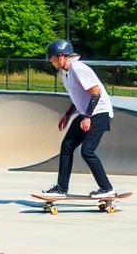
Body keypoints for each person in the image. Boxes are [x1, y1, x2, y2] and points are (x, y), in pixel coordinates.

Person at [41, 39, 116, 198]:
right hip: (86, 113)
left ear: (62, 56)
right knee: (67, 146)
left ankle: (107, 188)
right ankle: (61, 188)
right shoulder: (64, 72)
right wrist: (67, 115)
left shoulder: (78, 68)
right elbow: (77, 97)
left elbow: (96, 92)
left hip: (99, 112)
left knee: (87, 151)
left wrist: (87, 117)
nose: (50, 60)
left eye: (52, 57)